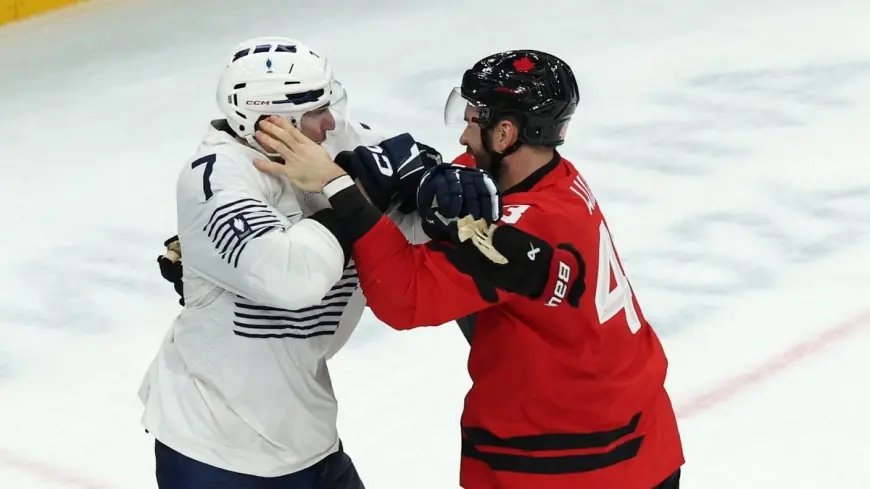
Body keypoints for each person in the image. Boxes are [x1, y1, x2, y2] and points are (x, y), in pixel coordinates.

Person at [251, 49, 685, 489]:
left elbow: (405, 297)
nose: (462, 135)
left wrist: (336, 185)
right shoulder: (547, 178)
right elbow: (449, 182)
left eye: (474, 119)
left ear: (506, 133)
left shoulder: (523, 232)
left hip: (573, 463)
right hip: (635, 435)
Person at [139, 36, 497, 489]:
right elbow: (295, 278)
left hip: (306, 434)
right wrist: (353, 196)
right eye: (315, 112)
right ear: (270, 120)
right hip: (215, 446)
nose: (331, 122)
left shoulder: (329, 139)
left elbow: (406, 200)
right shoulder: (215, 177)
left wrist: (434, 186)